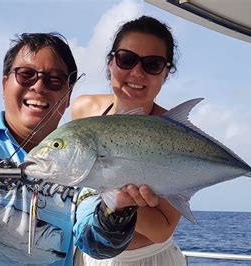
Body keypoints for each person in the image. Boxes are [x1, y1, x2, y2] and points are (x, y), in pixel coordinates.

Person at [0, 32, 149, 266]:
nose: (39, 86)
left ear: (68, 94)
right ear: (4, 84)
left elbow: (95, 245)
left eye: (55, 79)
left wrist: (117, 210)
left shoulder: (82, 154)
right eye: (26, 75)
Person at [71, 16, 185, 265]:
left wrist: (119, 199)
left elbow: (162, 229)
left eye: (152, 64)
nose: (136, 72)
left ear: (165, 74)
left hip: (145, 259)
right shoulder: (84, 110)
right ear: (111, 62)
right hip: (87, 255)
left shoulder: (174, 134)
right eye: (126, 59)